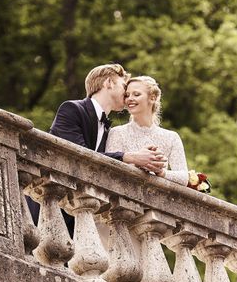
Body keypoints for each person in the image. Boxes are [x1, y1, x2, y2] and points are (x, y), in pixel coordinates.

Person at [28, 64, 167, 227]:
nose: (127, 95)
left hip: (77, 214)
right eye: (124, 87)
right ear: (108, 83)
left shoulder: (109, 130)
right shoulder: (72, 109)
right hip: (45, 206)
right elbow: (78, 156)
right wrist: (129, 157)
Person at [106, 76, 189, 186]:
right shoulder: (116, 132)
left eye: (136, 94)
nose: (129, 98)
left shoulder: (171, 137)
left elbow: (184, 178)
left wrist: (161, 172)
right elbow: (109, 171)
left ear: (152, 98)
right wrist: (137, 164)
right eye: (127, 95)